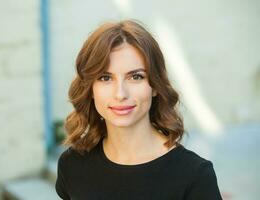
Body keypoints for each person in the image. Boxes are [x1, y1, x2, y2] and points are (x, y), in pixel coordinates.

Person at [55, 20, 222, 200]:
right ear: (91, 88)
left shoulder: (194, 176)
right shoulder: (72, 166)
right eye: (105, 78)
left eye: (136, 77)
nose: (120, 94)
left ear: (155, 86)